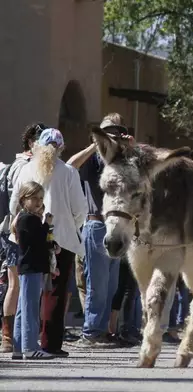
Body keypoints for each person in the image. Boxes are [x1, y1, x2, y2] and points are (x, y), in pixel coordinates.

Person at [9, 128, 87, 357]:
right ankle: (47, 344)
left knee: (27, 294)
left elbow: (15, 203)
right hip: (59, 239)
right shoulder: (69, 172)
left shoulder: (26, 169)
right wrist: (69, 225)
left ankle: (20, 345)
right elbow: (80, 210)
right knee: (55, 292)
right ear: (61, 147)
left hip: (26, 239)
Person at [66, 114, 132, 347]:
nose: (113, 137)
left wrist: (129, 148)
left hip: (117, 225)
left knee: (112, 285)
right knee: (98, 284)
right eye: (108, 132)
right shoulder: (93, 158)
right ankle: (91, 332)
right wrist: (96, 144)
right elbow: (70, 165)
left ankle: (102, 331)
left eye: (117, 132)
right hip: (96, 225)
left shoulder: (121, 160)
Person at [1, 123, 44, 353]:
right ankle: (20, 343)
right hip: (20, 248)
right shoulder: (23, 167)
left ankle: (16, 343)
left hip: (17, 241)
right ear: (31, 143)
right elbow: (15, 200)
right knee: (20, 292)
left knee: (19, 292)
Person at [11, 182, 59, 360]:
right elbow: (37, 240)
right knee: (30, 309)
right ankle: (29, 347)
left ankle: (19, 347)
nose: (39, 202)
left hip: (30, 267)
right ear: (24, 200)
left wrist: (52, 244)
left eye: (41, 198)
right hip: (31, 267)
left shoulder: (28, 218)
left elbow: (40, 240)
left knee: (24, 308)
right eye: (34, 198)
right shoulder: (28, 219)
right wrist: (46, 224)